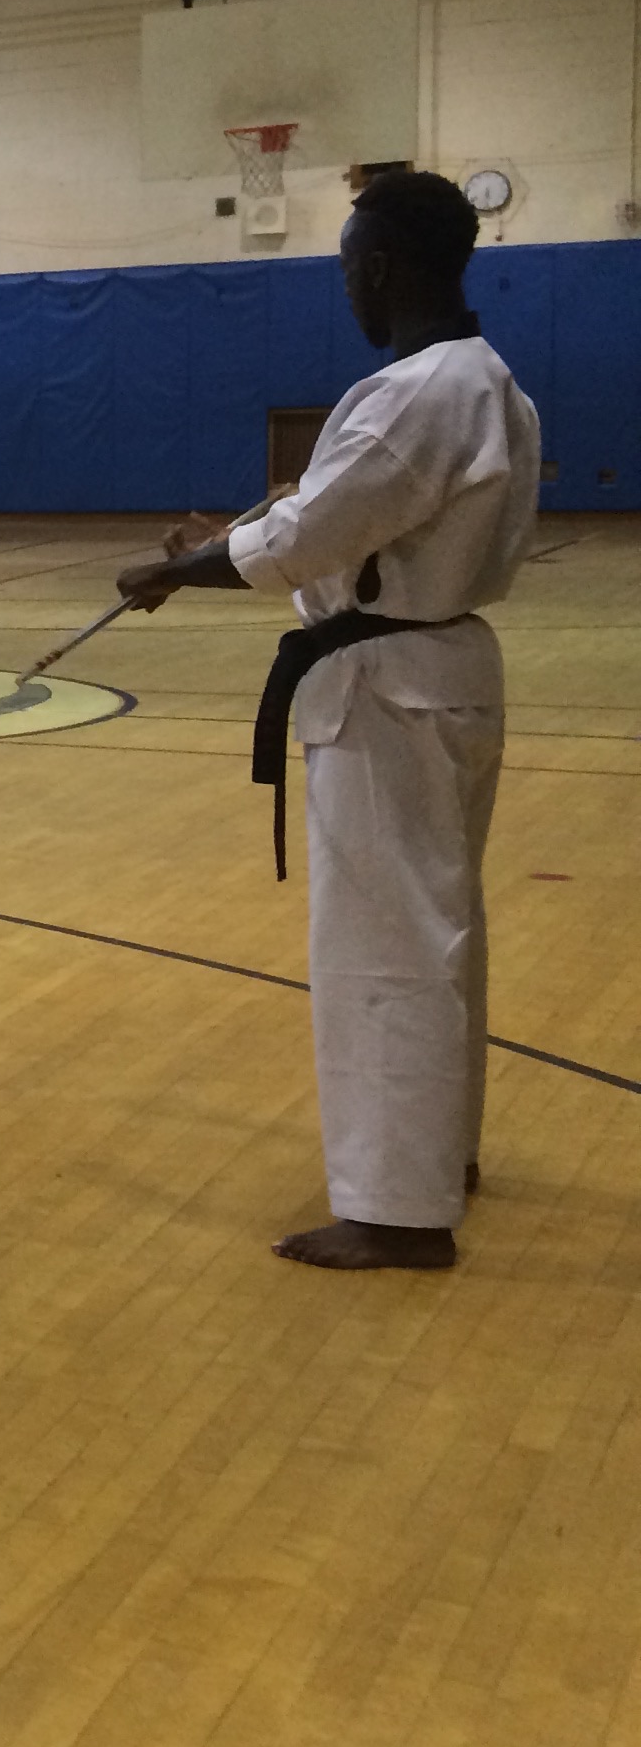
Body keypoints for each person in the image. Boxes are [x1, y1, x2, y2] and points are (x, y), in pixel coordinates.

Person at [115, 169, 538, 1271]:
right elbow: (327, 522)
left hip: (389, 690)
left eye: (350, 263)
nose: (347, 283)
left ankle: (398, 1209)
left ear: (381, 266)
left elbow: (305, 544)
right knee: (438, 928)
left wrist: (182, 571)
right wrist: (236, 540)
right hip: (435, 673)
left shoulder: (418, 392)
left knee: (386, 946)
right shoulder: (483, 382)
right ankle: (438, 1154)